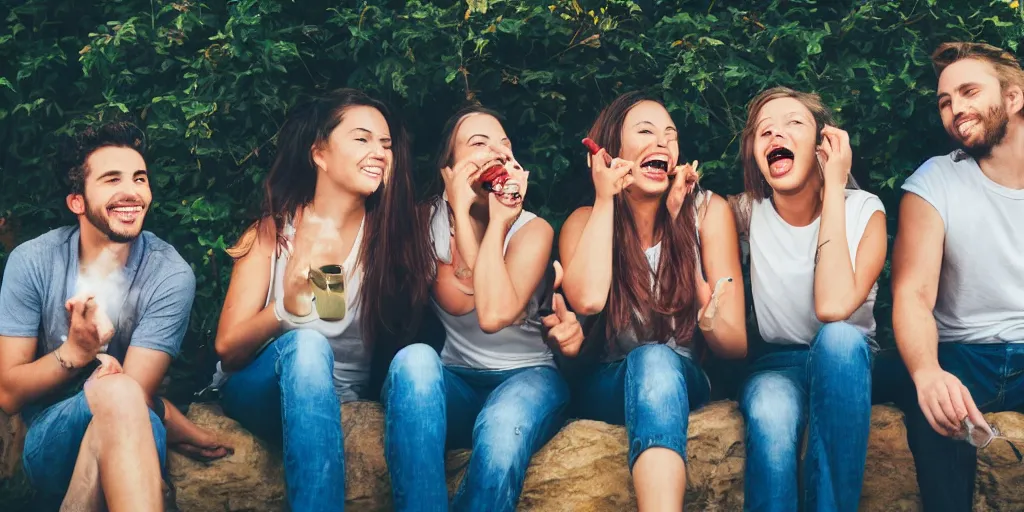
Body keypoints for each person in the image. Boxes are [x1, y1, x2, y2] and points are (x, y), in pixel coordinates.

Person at [210, 89, 434, 511]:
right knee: (307, 345)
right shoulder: (273, 233)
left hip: (342, 397)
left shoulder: (392, 242)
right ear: (320, 154)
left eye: (385, 145)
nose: (379, 153)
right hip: (261, 390)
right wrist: (284, 310)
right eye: (362, 138)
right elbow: (228, 351)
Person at [0, 120, 230, 511]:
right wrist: (75, 352)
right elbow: (8, 393)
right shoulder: (34, 261)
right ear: (77, 201)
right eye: (112, 179)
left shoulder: (169, 274)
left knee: (121, 394)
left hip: (135, 428)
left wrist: (153, 407)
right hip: (51, 439)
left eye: (140, 179)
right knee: (117, 393)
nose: (132, 192)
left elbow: (134, 392)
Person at [557, 91, 748, 511]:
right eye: (645, 132)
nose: (661, 143)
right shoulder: (584, 221)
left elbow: (734, 345)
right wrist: (606, 196)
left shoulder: (706, 212)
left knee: (657, 359)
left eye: (670, 135)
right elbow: (587, 299)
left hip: (684, 375)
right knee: (647, 359)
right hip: (609, 382)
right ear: (612, 150)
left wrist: (685, 235)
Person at [382, 104, 569, 512]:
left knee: (502, 431)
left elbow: (492, 311)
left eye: (504, 144)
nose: (497, 152)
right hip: (458, 378)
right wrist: (459, 209)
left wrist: (494, 220)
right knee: (413, 361)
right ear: (449, 168)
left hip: (529, 375)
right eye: (479, 143)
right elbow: (457, 295)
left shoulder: (532, 229)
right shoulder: (423, 222)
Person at [732, 87, 887, 512]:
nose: (775, 134)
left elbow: (833, 307)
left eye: (793, 123)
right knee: (770, 413)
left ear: (824, 144)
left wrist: (834, 186)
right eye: (764, 131)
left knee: (838, 337)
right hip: (777, 364)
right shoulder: (747, 212)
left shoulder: (865, 212)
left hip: (846, 362)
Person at [892, 42, 1024, 512]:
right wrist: (928, 372)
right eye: (946, 101)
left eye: (969, 91)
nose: (955, 109)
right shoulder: (934, 181)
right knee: (936, 415)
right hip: (962, 356)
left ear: (1013, 97)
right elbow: (912, 292)